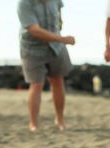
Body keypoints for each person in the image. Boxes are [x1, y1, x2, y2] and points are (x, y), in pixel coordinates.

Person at [17, 0, 75, 131]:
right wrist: (62, 39)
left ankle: (60, 120)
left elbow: (59, 15)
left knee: (58, 80)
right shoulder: (24, 3)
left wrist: (59, 32)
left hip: (56, 46)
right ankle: (34, 124)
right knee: (36, 84)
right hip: (32, 47)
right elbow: (34, 30)